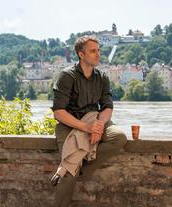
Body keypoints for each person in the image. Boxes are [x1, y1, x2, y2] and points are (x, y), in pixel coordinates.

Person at [51, 35, 127, 207]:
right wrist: (87, 128)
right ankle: (74, 167)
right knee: (70, 174)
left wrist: (99, 126)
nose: (98, 54)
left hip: (95, 119)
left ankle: (82, 166)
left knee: (119, 138)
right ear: (81, 54)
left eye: (98, 50)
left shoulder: (102, 77)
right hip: (70, 124)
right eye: (93, 51)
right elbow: (59, 113)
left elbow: (107, 106)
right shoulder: (67, 76)